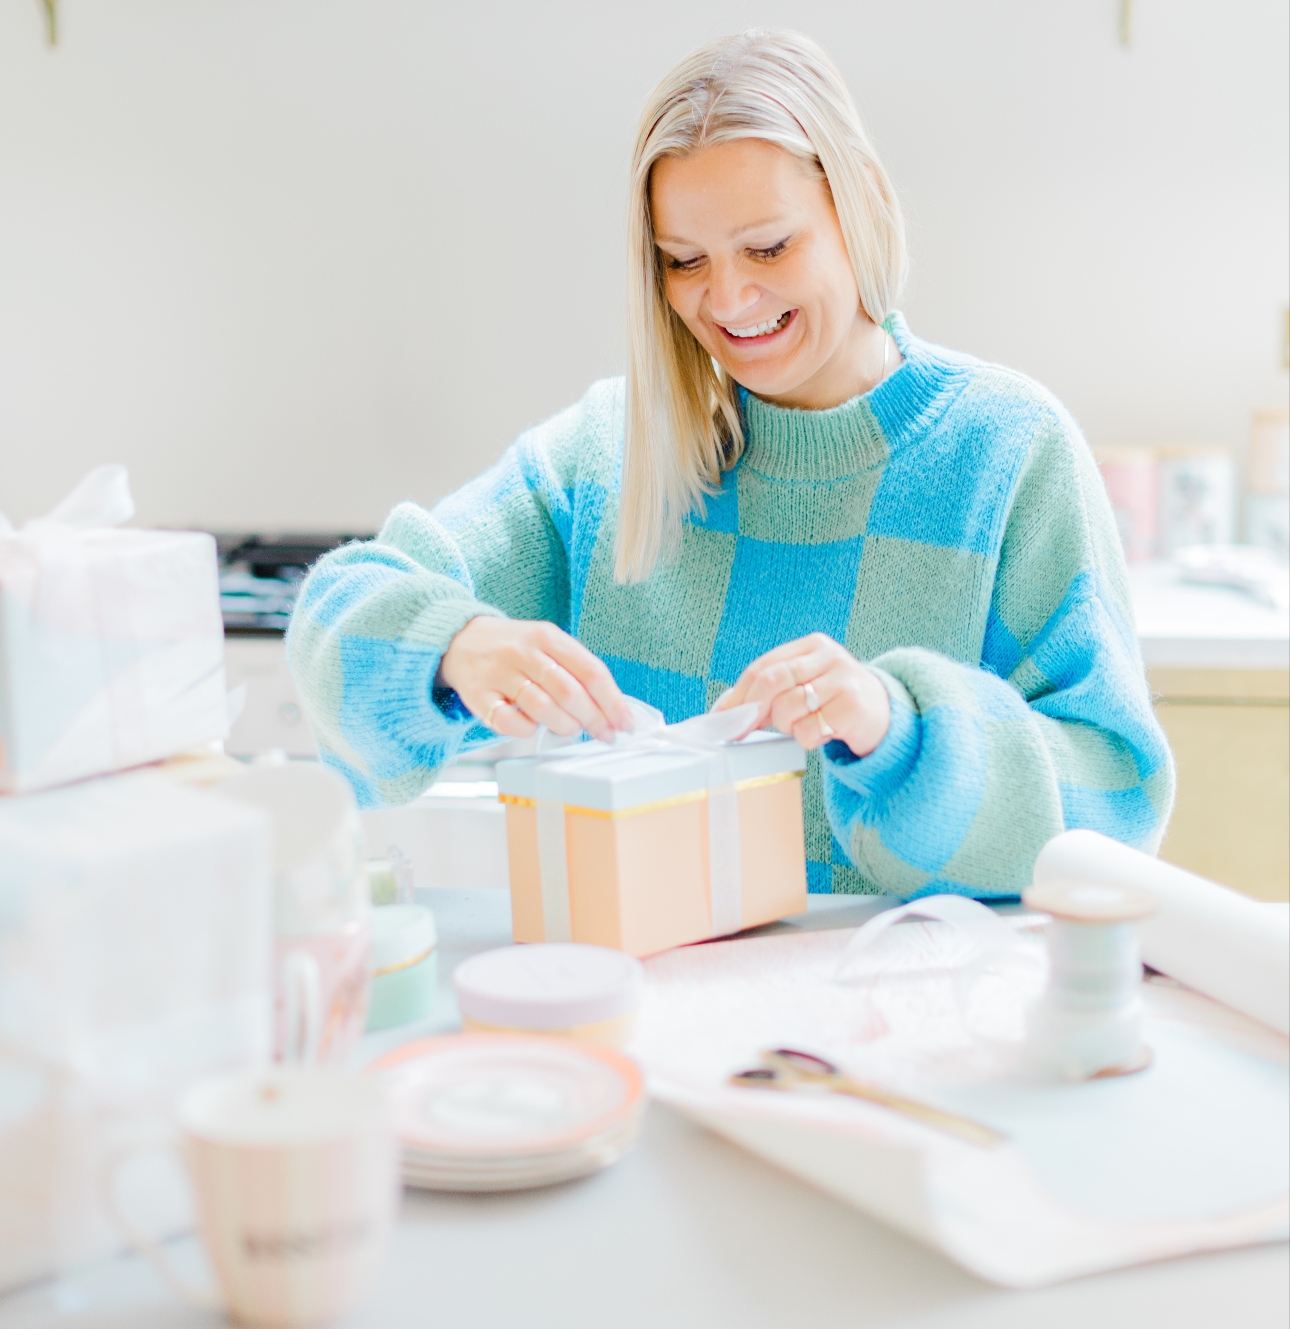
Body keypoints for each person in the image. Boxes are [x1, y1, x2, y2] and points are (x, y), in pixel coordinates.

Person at [287, 28, 1173, 898]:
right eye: (685, 262)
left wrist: (901, 731)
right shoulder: (612, 455)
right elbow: (342, 609)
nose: (730, 300)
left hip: (909, 1016)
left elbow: (1117, 803)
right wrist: (454, 646)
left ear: (857, 201)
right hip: (659, 1016)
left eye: (769, 247)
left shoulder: (1006, 452)